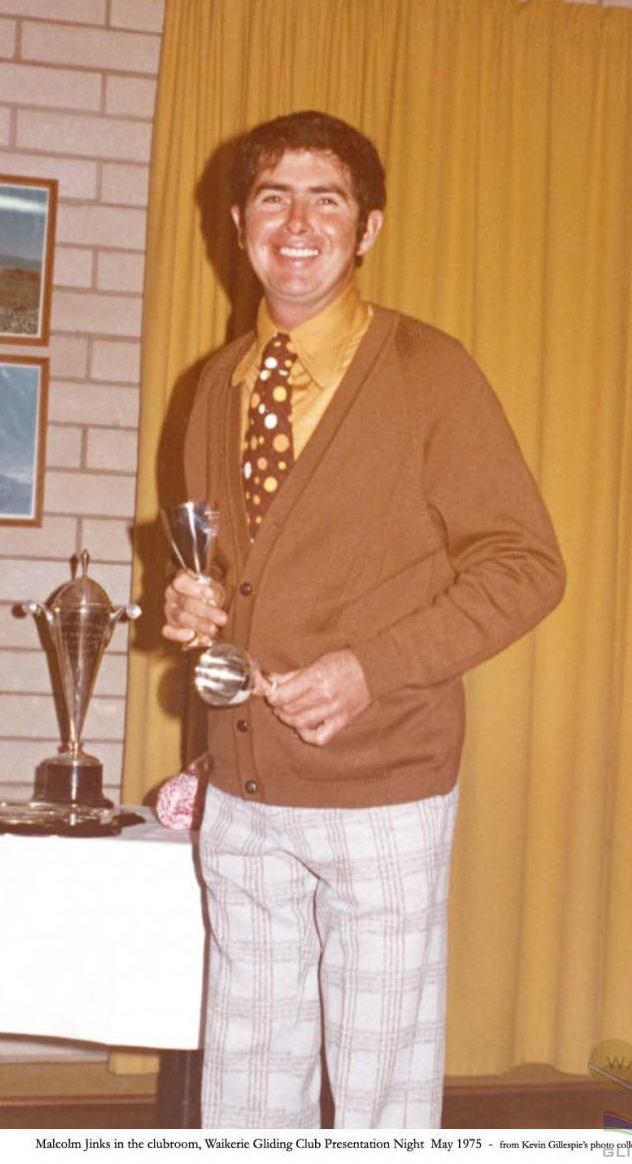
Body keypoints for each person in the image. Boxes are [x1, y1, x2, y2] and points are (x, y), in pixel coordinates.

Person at [163, 110, 565, 1129]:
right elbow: (234, 571)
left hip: (383, 786)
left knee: (381, 1096)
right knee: (248, 1083)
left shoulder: (430, 373)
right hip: (243, 789)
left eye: (326, 200)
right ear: (238, 224)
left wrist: (368, 669)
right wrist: (194, 600)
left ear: (367, 228)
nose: (296, 224)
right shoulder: (215, 387)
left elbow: (526, 567)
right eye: (272, 199)